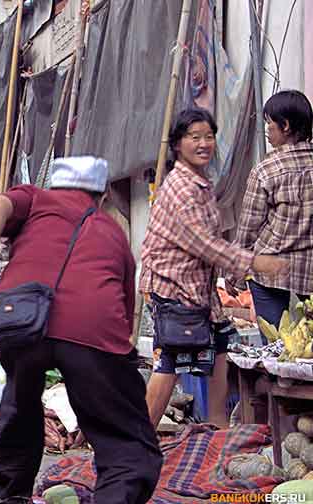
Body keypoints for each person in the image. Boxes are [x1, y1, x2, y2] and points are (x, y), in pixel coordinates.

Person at [0, 157, 162, 504]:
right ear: (102, 196)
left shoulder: (35, 199)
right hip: (93, 329)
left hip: (20, 322)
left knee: (20, 405)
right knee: (126, 441)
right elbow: (125, 316)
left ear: (54, 184)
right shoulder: (112, 232)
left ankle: (11, 497)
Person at [141, 108, 289, 430]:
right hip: (174, 287)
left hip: (199, 290)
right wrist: (254, 262)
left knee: (220, 346)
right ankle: (140, 437)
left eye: (208, 136)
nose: (203, 143)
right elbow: (203, 243)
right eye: (194, 137)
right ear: (178, 143)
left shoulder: (200, 183)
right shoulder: (181, 188)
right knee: (170, 361)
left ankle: (219, 426)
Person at [231, 90, 313, 327]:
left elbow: (248, 230)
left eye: (270, 123)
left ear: (285, 126)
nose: (267, 130)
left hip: (271, 269)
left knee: (275, 342)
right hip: (309, 268)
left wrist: (235, 273)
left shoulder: (266, 171)